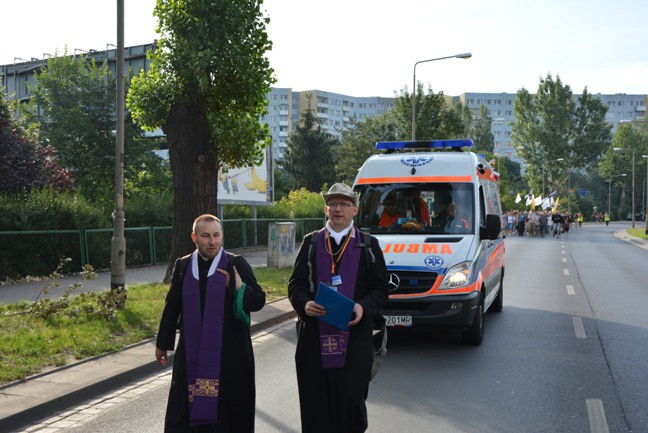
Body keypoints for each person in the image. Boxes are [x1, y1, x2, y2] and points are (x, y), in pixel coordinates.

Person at [289, 183, 389, 433]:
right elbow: (296, 284)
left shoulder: (368, 245)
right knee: (315, 405)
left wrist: (362, 307)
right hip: (314, 338)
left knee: (350, 402)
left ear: (354, 210)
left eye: (344, 204)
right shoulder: (311, 242)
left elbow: (381, 288)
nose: (338, 209)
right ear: (325, 209)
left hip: (355, 340)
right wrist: (304, 304)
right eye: (333, 203)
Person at [155, 214, 266, 433]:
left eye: (216, 235)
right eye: (206, 236)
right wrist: (162, 344)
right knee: (186, 406)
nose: (212, 241)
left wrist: (237, 286)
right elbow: (172, 308)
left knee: (228, 411)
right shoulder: (183, 266)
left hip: (230, 353)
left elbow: (258, 301)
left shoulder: (235, 263)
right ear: (194, 237)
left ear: (221, 235)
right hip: (192, 353)